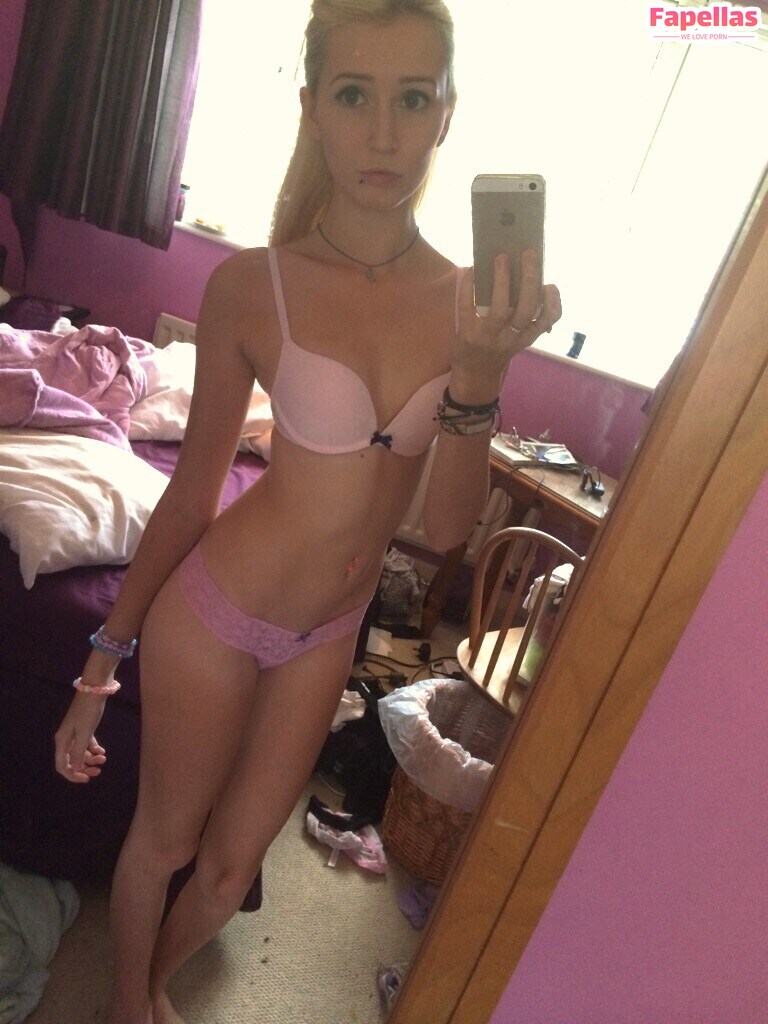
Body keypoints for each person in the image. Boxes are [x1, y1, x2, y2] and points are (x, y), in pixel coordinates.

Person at [54, 1, 561, 1022]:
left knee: (232, 865)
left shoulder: (467, 303)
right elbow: (193, 492)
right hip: (217, 613)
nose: (383, 132)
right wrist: (101, 664)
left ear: (446, 113)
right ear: (313, 110)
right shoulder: (254, 286)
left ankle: (151, 989)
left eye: (412, 98)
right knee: (166, 839)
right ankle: (125, 1008)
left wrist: (479, 374)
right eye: (354, 94)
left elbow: (446, 527)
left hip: (329, 631)